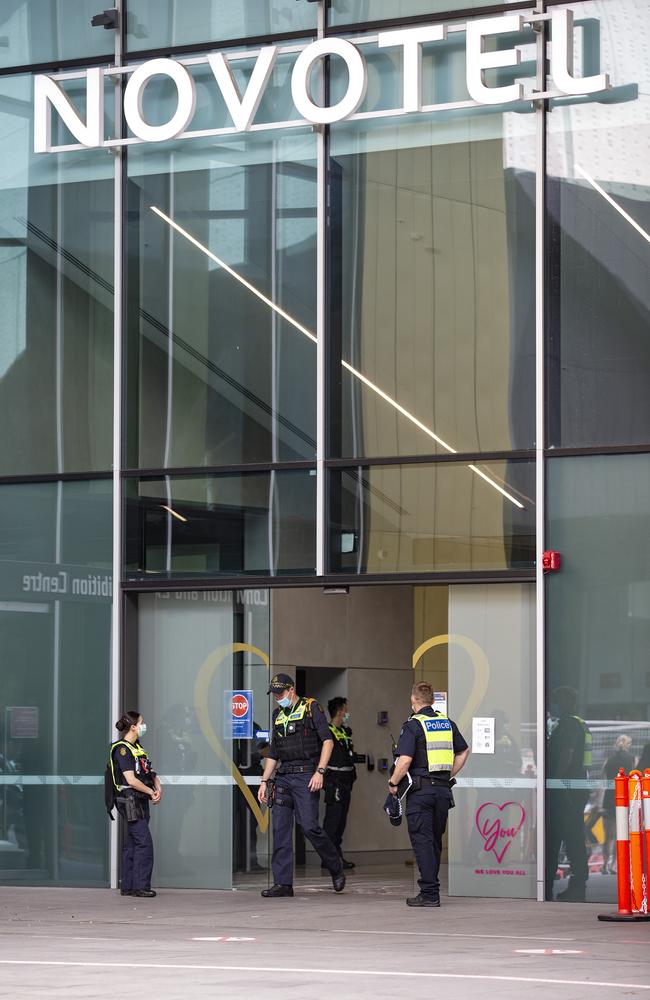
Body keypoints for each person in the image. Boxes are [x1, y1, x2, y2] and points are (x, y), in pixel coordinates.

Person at [257, 673, 345, 897]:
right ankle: (283, 883)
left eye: (281, 692)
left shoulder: (310, 707)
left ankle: (335, 867)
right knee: (281, 830)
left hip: (307, 774)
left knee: (309, 826)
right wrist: (264, 781)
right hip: (284, 776)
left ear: (291, 690)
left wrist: (320, 771)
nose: (278, 697)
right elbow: (274, 753)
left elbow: (327, 741)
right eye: (275, 694)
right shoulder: (278, 714)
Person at [389, 682, 469, 907]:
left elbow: (404, 761)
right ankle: (431, 889)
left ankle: (429, 893)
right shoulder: (447, 723)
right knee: (433, 840)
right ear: (433, 701)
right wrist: (447, 773)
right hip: (442, 791)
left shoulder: (413, 725)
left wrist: (393, 783)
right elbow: (464, 750)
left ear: (413, 700)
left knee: (422, 841)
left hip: (421, 792)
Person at [545, 686, 592, 901]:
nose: (554, 704)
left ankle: (557, 880)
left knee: (560, 834)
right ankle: (577, 881)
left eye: (557, 700)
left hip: (566, 789)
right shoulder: (578, 723)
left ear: (566, 701)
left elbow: (567, 753)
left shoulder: (569, 724)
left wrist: (555, 779)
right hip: (574, 787)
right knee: (572, 834)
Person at [109, 711, 161, 898]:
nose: (143, 726)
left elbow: (148, 770)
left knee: (132, 842)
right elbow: (131, 780)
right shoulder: (122, 749)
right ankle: (140, 886)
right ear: (133, 727)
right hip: (130, 799)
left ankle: (129, 886)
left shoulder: (136, 747)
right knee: (143, 842)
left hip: (139, 799)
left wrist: (157, 786)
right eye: (141, 723)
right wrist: (150, 792)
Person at [322, 697, 357, 871]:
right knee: (333, 820)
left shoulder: (344, 731)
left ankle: (336, 856)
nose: (347, 713)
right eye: (345, 709)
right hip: (333, 781)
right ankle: (329, 857)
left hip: (346, 781)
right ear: (340, 711)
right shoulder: (327, 732)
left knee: (341, 820)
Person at [601, 734, 635, 874]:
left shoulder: (608, 760)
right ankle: (614, 865)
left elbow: (603, 780)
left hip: (609, 799)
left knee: (608, 835)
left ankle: (604, 864)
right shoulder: (631, 759)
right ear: (628, 745)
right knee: (620, 835)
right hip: (623, 799)